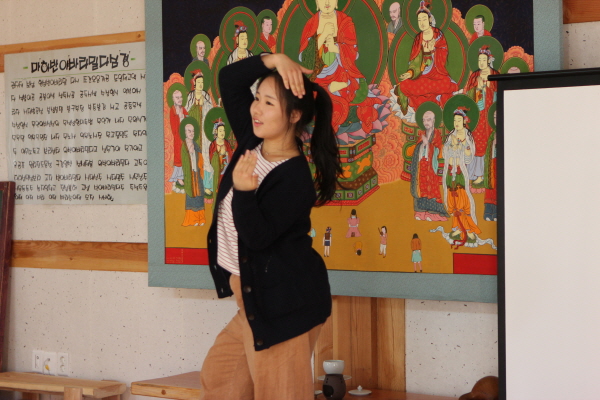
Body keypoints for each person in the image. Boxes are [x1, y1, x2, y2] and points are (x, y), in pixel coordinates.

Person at [201, 53, 342, 400]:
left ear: (293, 116)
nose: (256, 109)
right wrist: (273, 60)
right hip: (254, 300)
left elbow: (258, 237)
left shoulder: (294, 178)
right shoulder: (253, 142)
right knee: (220, 378)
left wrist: (244, 192)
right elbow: (229, 80)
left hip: (284, 306)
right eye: (257, 98)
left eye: (268, 103)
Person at [298, 0, 383, 134]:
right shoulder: (311, 23)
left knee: (350, 89)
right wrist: (323, 36)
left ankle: (338, 88)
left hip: (340, 70)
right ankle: (332, 90)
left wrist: (336, 48)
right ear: (316, 3)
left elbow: (353, 52)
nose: (327, 2)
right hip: (318, 74)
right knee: (312, 96)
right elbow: (304, 58)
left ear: (337, 2)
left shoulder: (345, 22)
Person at [394, 1, 458, 115]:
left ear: (429, 19)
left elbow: (443, 54)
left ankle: (431, 97)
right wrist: (410, 73)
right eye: (419, 20)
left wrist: (434, 49)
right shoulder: (418, 38)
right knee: (404, 85)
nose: (422, 23)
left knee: (446, 83)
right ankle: (434, 97)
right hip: (421, 76)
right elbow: (414, 61)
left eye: (424, 19)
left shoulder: (438, 34)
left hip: (437, 75)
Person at [442, 107, 481, 244]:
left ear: (464, 121)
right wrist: (450, 146)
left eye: (459, 120)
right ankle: (457, 228)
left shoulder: (467, 136)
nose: (456, 123)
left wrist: (464, 147)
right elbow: (445, 153)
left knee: (462, 201)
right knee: (452, 201)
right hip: (450, 172)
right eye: (455, 121)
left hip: (460, 172)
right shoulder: (450, 135)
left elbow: (469, 159)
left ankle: (469, 230)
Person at [464, 46, 498, 188]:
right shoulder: (474, 76)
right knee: (477, 142)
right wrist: (477, 89)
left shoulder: (495, 75)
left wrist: (488, 88)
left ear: (489, 60)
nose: (481, 63)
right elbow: (468, 96)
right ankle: (477, 174)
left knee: (489, 143)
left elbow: (499, 93)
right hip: (478, 115)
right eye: (479, 60)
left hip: (491, 115)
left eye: (484, 60)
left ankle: (488, 173)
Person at [410, 110, 448, 221]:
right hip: (421, 165)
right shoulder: (422, 134)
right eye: (424, 120)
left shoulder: (436, 134)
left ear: (434, 121)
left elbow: (438, 148)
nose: (426, 122)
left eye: (429, 120)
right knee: (421, 188)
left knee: (431, 189)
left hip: (431, 167)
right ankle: (421, 211)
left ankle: (433, 213)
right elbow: (417, 148)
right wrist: (421, 145)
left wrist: (428, 144)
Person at [185, 70, 214, 195]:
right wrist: (195, 106)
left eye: (202, 82)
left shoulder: (206, 96)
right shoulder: (190, 97)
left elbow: (211, 113)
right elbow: (186, 113)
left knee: (206, 158)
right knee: (194, 158)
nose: (201, 85)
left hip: (204, 133)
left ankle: (207, 185)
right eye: (199, 82)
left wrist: (204, 104)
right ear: (194, 83)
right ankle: (195, 186)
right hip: (194, 132)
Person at [180, 121, 206, 226]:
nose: (191, 133)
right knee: (191, 196)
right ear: (185, 133)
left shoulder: (196, 145)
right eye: (189, 131)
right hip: (189, 176)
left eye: (193, 131)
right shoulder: (184, 147)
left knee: (199, 195)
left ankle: (201, 219)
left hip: (197, 174)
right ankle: (192, 220)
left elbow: (200, 157)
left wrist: (197, 154)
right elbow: (182, 161)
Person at [168, 88, 188, 193]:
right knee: (178, 156)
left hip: (185, 138)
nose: (179, 99)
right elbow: (174, 127)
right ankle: (179, 177)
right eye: (177, 97)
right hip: (178, 138)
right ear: (173, 99)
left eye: (180, 97)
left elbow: (188, 121)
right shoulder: (173, 110)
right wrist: (179, 118)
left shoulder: (183, 109)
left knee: (185, 156)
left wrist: (184, 117)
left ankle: (184, 176)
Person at [208, 118, 234, 197]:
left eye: (223, 130)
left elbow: (231, 158)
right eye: (220, 131)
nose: (222, 133)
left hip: (225, 171)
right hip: (216, 173)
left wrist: (226, 154)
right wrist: (219, 155)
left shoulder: (227, 144)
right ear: (216, 131)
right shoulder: (213, 145)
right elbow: (211, 160)